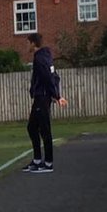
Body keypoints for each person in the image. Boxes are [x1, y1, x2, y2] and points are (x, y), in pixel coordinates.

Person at [23, 33, 69, 173]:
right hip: (40, 97)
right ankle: (37, 160)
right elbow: (54, 76)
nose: (26, 46)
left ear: (32, 43)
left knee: (44, 129)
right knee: (32, 128)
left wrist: (56, 95)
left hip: (42, 97)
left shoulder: (40, 57)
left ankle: (48, 163)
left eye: (27, 43)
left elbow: (48, 77)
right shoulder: (44, 56)